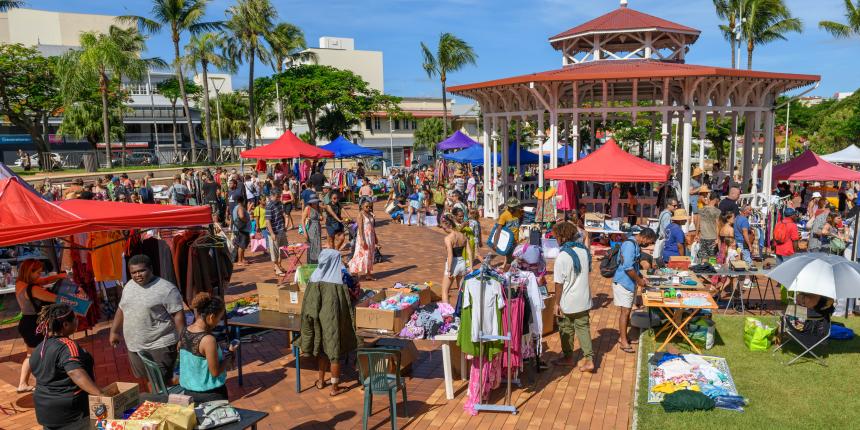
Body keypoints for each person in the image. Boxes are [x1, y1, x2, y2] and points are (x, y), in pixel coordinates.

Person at [110, 254, 185, 387]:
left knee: (160, 383)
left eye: (141, 270)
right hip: (135, 345)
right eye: (133, 272)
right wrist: (114, 331)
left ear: (151, 268)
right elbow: (122, 308)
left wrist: (182, 338)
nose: (137, 275)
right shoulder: (129, 285)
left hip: (159, 345)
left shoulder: (166, 289)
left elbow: (178, 314)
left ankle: (181, 387)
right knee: (149, 380)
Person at [30, 303, 101, 430]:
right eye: (74, 319)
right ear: (65, 325)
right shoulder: (68, 346)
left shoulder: (40, 347)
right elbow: (75, 372)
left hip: (45, 410)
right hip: (70, 413)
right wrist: (100, 394)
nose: (77, 320)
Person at [299, 249, 357, 397]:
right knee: (334, 352)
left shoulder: (314, 277)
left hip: (316, 320)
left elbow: (308, 304)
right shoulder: (337, 280)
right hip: (332, 320)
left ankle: (320, 381)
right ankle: (334, 387)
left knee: (323, 351)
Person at [15, 260, 66, 393]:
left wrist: (59, 276)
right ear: (29, 272)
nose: (40, 275)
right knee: (42, 355)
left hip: (26, 322)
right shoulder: (33, 289)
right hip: (34, 324)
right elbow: (55, 298)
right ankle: (45, 385)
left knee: (30, 355)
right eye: (37, 272)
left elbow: (44, 280)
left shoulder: (20, 284)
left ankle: (22, 384)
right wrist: (75, 300)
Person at [551, 222, 595, 372]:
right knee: (583, 328)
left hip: (568, 301)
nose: (555, 239)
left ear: (562, 237)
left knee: (566, 329)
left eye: (556, 236)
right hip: (584, 299)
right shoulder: (584, 251)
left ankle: (568, 357)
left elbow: (559, 284)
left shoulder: (562, 256)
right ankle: (589, 359)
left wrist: (556, 303)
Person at [179, 293, 236, 403]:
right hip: (211, 395)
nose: (218, 323)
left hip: (189, 394)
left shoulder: (185, 331)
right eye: (218, 318)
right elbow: (215, 372)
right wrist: (229, 354)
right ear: (211, 317)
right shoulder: (208, 340)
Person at [612, 228, 657, 353]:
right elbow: (627, 267)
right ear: (645, 237)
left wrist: (641, 278)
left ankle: (624, 337)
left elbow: (634, 266)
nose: (648, 244)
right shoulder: (630, 245)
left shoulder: (635, 244)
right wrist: (639, 280)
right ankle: (623, 341)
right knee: (625, 312)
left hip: (629, 283)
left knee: (626, 312)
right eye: (649, 242)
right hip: (623, 283)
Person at [441, 213, 468, 305]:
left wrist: (449, 270)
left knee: (445, 291)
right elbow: (469, 252)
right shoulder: (462, 235)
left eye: (443, 228)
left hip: (453, 264)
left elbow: (450, 255)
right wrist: (471, 266)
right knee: (462, 290)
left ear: (448, 225)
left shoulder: (448, 238)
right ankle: (462, 313)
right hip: (462, 262)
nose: (443, 230)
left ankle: (447, 315)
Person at [349, 199, 378, 281]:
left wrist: (375, 237)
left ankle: (368, 274)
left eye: (369, 206)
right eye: (366, 206)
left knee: (369, 255)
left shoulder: (370, 214)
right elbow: (360, 228)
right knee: (360, 254)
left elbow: (372, 227)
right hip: (363, 236)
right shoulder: (360, 215)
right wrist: (362, 239)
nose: (368, 208)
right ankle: (354, 272)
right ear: (361, 206)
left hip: (370, 237)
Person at [265, 192, 289, 275]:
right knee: (274, 251)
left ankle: (279, 265)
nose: (278, 198)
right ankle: (276, 267)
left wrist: (286, 223)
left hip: (281, 230)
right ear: (271, 196)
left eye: (279, 196)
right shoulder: (269, 206)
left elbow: (283, 214)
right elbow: (267, 221)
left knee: (283, 249)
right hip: (274, 232)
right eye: (277, 196)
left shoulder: (280, 204)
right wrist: (272, 233)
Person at [494, 197, 523, 265]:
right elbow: (498, 230)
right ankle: (507, 273)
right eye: (510, 207)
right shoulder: (504, 215)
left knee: (515, 259)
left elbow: (521, 217)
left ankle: (509, 272)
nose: (512, 209)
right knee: (510, 261)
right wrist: (495, 243)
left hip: (516, 241)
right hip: (508, 242)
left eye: (513, 207)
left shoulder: (518, 212)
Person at [697, 192, 722, 261]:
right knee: (712, 258)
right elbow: (717, 225)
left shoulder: (701, 210)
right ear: (716, 199)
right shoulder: (717, 211)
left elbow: (698, 224)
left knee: (704, 258)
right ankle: (710, 271)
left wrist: (697, 234)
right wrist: (717, 238)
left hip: (703, 237)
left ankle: (704, 270)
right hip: (712, 237)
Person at [303, 193, 323, 264]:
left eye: (316, 201)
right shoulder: (307, 208)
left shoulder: (319, 208)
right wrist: (304, 232)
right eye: (314, 202)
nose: (315, 203)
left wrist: (320, 216)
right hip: (310, 228)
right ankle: (311, 262)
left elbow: (322, 218)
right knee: (311, 245)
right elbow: (302, 221)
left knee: (318, 244)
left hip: (318, 227)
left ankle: (318, 262)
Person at [232, 194, 251, 266]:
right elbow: (241, 216)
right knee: (241, 245)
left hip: (239, 228)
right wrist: (246, 220)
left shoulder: (235, 207)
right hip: (242, 229)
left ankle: (242, 259)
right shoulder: (240, 207)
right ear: (242, 201)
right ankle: (240, 260)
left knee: (242, 244)